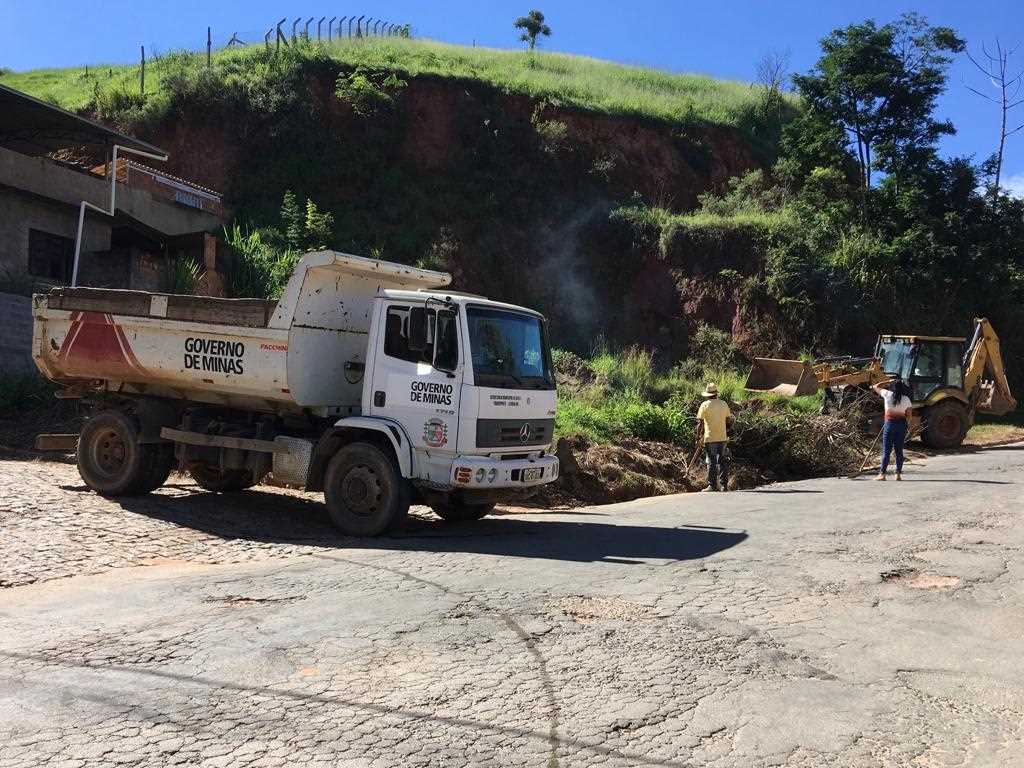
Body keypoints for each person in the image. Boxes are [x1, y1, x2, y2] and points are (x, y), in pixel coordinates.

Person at [872, 378, 913, 481]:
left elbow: (875, 386)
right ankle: (898, 474)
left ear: (892, 387)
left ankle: (882, 474)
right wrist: (905, 426)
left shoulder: (887, 394)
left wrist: (887, 381)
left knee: (886, 451)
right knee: (899, 451)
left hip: (889, 425)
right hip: (901, 426)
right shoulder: (906, 399)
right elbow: (909, 416)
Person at [696, 382, 731, 492]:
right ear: (716, 394)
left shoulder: (705, 405)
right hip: (722, 437)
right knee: (722, 461)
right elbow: (728, 420)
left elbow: (700, 424)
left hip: (710, 437)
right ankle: (724, 485)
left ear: (707, 395)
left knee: (711, 461)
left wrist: (697, 437)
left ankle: (712, 485)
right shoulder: (723, 404)